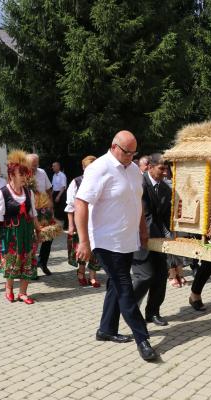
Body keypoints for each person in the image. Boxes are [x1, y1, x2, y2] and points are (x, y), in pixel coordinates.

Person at [74, 130, 158, 361]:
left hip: (127, 239)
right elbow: (80, 203)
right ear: (114, 147)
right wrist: (84, 241)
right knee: (124, 287)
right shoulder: (98, 168)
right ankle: (143, 339)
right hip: (105, 241)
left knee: (115, 285)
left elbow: (137, 202)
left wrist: (142, 230)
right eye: (127, 152)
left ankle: (106, 330)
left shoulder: (133, 170)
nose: (131, 157)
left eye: (134, 153)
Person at [0, 151, 40, 304]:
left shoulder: (29, 192)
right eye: (21, 174)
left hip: (27, 233)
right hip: (11, 234)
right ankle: (9, 289)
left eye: (25, 174)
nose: (24, 177)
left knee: (28, 261)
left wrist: (39, 230)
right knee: (12, 262)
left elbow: (33, 213)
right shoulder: (3, 193)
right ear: (12, 175)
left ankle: (23, 293)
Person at [132, 153, 171, 326]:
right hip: (140, 238)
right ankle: (130, 310)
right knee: (145, 276)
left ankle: (153, 312)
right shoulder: (139, 184)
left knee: (161, 276)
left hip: (158, 239)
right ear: (150, 167)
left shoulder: (166, 189)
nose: (165, 173)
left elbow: (166, 217)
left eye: (166, 169)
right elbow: (143, 216)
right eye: (162, 168)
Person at [65, 155, 101, 288]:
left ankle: (92, 276)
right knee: (81, 247)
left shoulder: (100, 181)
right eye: (89, 168)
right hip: (81, 221)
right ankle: (81, 272)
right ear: (83, 168)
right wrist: (71, 225)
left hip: (97, 221)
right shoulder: (76, 182)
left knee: (95, 249)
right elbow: (70, 205)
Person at [26, 153, 54, 276]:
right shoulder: (22, 174)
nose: (34, 167)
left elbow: (48, 190)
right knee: (32, 240)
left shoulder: (42, 172)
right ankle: (32, 269)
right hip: (28, 211)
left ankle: (42, 262)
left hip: (43, 209)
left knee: (49, 236)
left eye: (36, 164)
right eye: (32, 165)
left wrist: (51, 206)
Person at [51, 161, 68, 230]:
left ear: (58, 167)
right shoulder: (54, 175)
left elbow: (63, 187)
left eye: (54, 166)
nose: (52, 167)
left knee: (63, 209)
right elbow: (53, 186)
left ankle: (66, 225)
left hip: (61, 193)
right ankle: (58, 225)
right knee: (56, 210)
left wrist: (58, 196)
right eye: (52, 166)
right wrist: (51, 195)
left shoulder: (62, 175)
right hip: (55, 193)